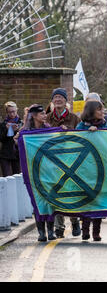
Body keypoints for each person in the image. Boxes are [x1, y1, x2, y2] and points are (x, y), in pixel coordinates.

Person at [46, 88, 82, 238]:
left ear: (66, 100)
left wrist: (70, 132)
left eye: (61, 97)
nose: (58, 100)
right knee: (56, 193)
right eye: (56, 97)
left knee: (70, 193)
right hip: (53, 161)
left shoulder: (74, 118)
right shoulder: (47, 118)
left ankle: (74, 221)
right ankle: (59, 227)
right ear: (53, 100)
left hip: (71, 160)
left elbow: (82, 137)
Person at [18, 105, 55, 241]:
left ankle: (50, 231)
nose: (45, 116)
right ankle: (41, 232)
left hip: (48, 171)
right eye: (41, 114)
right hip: (34, 172)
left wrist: (61, 131)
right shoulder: (26, 131)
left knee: (49, 200)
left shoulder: (49, 129)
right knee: (38, 201)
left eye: (45, 113)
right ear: (33, 115)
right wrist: (18, 140)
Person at [76, 101, 107, 241]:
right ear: (91, 111)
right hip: (85, 167)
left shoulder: (104, 124)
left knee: (98, 198)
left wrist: (99, 133)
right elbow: (76, 138)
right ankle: (85, 230)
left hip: (100, 165)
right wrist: (86, 132)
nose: (102, 112)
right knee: (87, 198)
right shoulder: (81, 125)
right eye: (99, 109)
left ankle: (96, 232)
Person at [0, 102, 23, 177]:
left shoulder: (22, 123)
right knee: (7, 177)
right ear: (7, 112)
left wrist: (17, 130)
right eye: (10, 112)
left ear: (17, 110)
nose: (12, 114)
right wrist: (7, 129)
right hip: (5, 155)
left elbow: (23, 139)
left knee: (18, 177)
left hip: (17, 154)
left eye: (14, 111)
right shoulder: (3, 124)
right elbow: (1, 139)